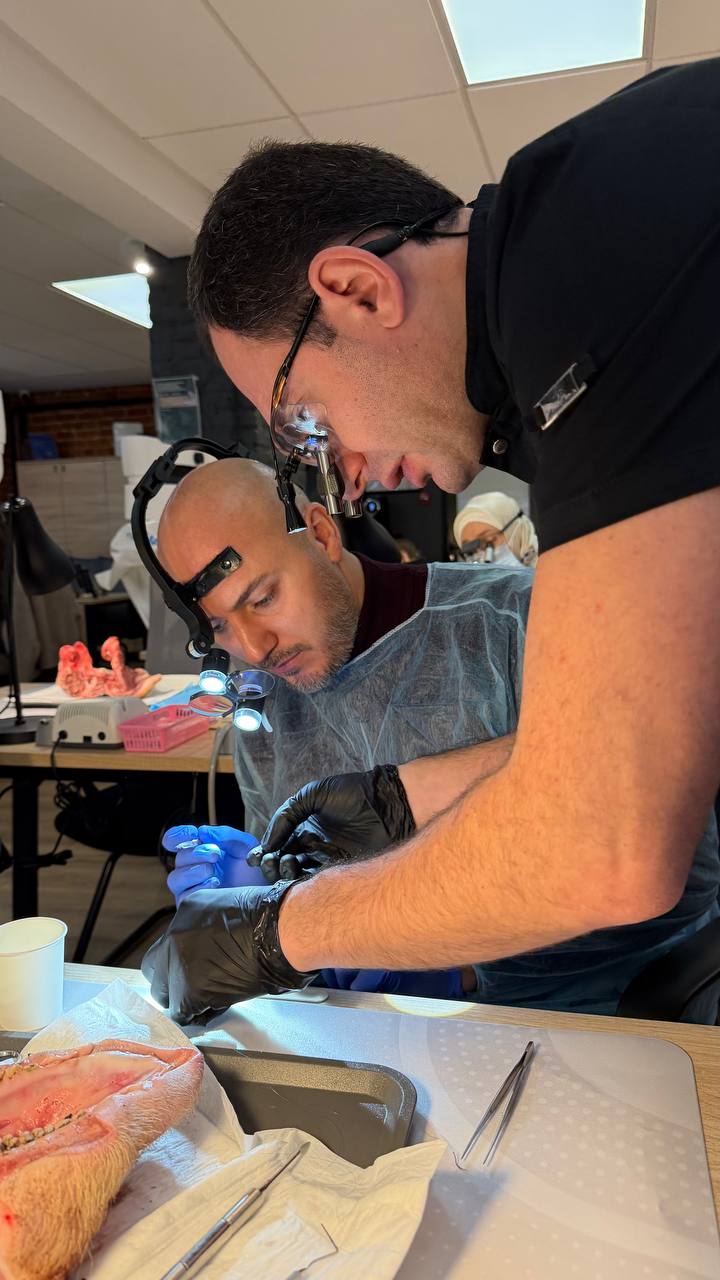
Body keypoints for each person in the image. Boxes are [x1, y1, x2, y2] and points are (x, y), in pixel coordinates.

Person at [145, 60, 720, 1023]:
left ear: (358, 290)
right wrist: (399, 803)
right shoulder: (561, 308)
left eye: (305, 421)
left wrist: (277, 934)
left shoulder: (592, 264)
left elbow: (609, 836)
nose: (343, 475)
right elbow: (646, 725)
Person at [149, 458, 719, 1016]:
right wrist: (258, 891)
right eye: (218, 626)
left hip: (609, 1020)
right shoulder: (268, 709)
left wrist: (457, 965)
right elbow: (296, 909)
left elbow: (675, 872)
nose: (255, 648)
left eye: (263, 599)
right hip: (382, 1034)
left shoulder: (515, 623)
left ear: (321, 534)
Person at [453, 492, 537, 567]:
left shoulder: (544, 567)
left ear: (517, 530)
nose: (479, 555)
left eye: (489, 541)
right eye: (469, 551)